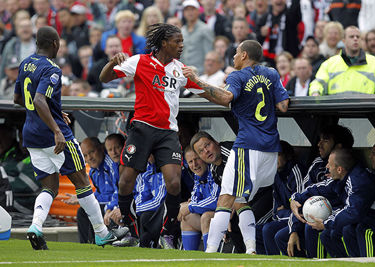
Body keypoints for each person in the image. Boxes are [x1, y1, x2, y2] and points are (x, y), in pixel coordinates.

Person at [99, 23, 205, 250]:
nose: (181, 45)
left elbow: (205, 91)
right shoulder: (139, 61)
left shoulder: (180, 69)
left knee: (174, 182)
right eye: (177, 41)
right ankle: (128, 227)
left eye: (182, 41)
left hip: (168, 132)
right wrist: (112, 62)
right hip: (141, 129)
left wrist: (228, 94)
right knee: (125, 181)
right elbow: (104, 78)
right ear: (164, 43)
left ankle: (168, 232)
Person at [14, 26, 116, 250]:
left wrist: (53, 112)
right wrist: (56, 128)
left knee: (49, 186)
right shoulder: (52, 69)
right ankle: (102, 233)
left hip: (31, 135)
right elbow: (40, 99)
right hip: (54, 136)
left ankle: (36, 227)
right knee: (82, 182)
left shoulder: (25, 64)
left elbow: (18, 99)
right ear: (54, 44)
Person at [183, 39, 289, 254]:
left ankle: (210, 251)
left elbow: (225, 98)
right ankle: (251, 250)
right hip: (270, 147)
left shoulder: (237, 76)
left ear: (243, 56)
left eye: (236, 53)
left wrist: (195, 81)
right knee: (240, 200)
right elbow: (283, 106)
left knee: (226, 197)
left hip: (248, 145)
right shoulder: (271, 74)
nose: (232, 57)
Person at [274, 124, 354, 258]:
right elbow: (304, 195)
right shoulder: (317, 164)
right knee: (279, 235)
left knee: (311, 228)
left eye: (325, 140)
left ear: (339, 147)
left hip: (337, 217)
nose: (319, 144)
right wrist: (293, 230)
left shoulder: (349, 169)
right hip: (311, 215)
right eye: (320, 139)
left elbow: (349, 205)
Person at [290, 148, 375, 258]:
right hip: (369, 216)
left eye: (329, 164)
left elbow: (353, 212)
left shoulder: (358, 181)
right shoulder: (342, 178)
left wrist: (326, 223)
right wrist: (295, 199)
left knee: (355, 230)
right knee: (328, 234)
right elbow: (318, 188)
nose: (326, 167)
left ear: (339, 169)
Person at [309, 26, 375, 96]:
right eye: (351, 37)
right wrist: (315, 93)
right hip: (337, 113)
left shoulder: (374, 63)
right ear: (344, 40)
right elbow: (317, 84)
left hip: (365, 113)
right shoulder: (330, 63)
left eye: (358, 37)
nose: (355, 39)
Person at [258, 140, 306, 255]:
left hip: (300, 221)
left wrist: (284, 212)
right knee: (257, 230)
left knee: (272, 231)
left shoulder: (296, 171)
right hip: (287, 218)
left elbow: (300, 208)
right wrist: (284, 212)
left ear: (287, 156)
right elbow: (276, 211)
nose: (274, 159)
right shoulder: (275, 174)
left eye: (278, 155)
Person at [179, 146, 220, 251]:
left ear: (203, 157)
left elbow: (216, 201)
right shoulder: (197, 176)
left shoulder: (213, 170)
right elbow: (194, 199)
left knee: (206, 217)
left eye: (196, 159)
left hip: (229, 216)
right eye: (190, 162)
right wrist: (190, 206)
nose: (194, 164)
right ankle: (190, 260)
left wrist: (191, 206)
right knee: (186, 217)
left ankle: (209, 260)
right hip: (215, 217)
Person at [181, 0, 214, 74]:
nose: (190, 12)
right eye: (187, 10)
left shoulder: (205, 29)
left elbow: (209, 52)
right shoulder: (182, 30)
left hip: (200, 73)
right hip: (184, 73)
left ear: (198, 11)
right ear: (184, 13)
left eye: (192, 9)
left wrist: (207, 73)